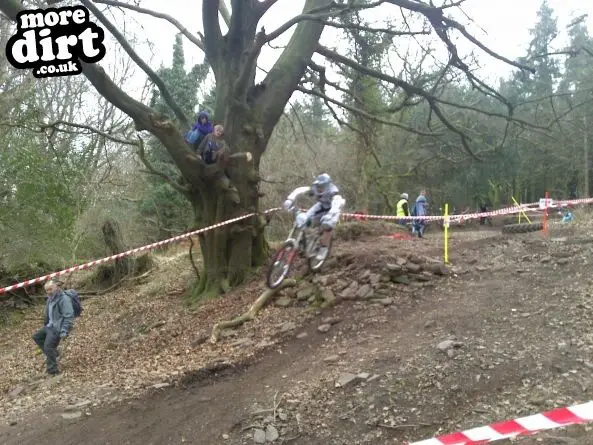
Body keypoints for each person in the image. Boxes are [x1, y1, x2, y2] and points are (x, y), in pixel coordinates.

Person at [283, 173, 346, 261]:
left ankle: (324, 249)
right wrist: (290, 199)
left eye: (323, 186)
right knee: (304, 218)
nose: (320, 188)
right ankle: (302, 240)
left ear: (328, 185)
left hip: (333, 209)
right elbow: (300, 190)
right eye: (318, 186)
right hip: (321, 206)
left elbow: (337, 203)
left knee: (327, 225)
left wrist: (330, 215)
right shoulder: (314, 189)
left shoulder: (333, 191)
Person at [32, 280, 74, 376]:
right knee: (36, 337)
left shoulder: (64, 299)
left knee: (48, 346)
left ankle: (53, 370)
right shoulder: (50, 299)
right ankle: (54, 353)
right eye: (47, 290)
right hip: (49, 326)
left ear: (56, 287)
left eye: (50, 289)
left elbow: (69, 316)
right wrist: (46, 324)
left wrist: (64, 330)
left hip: (57, 328)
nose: (49, 291)